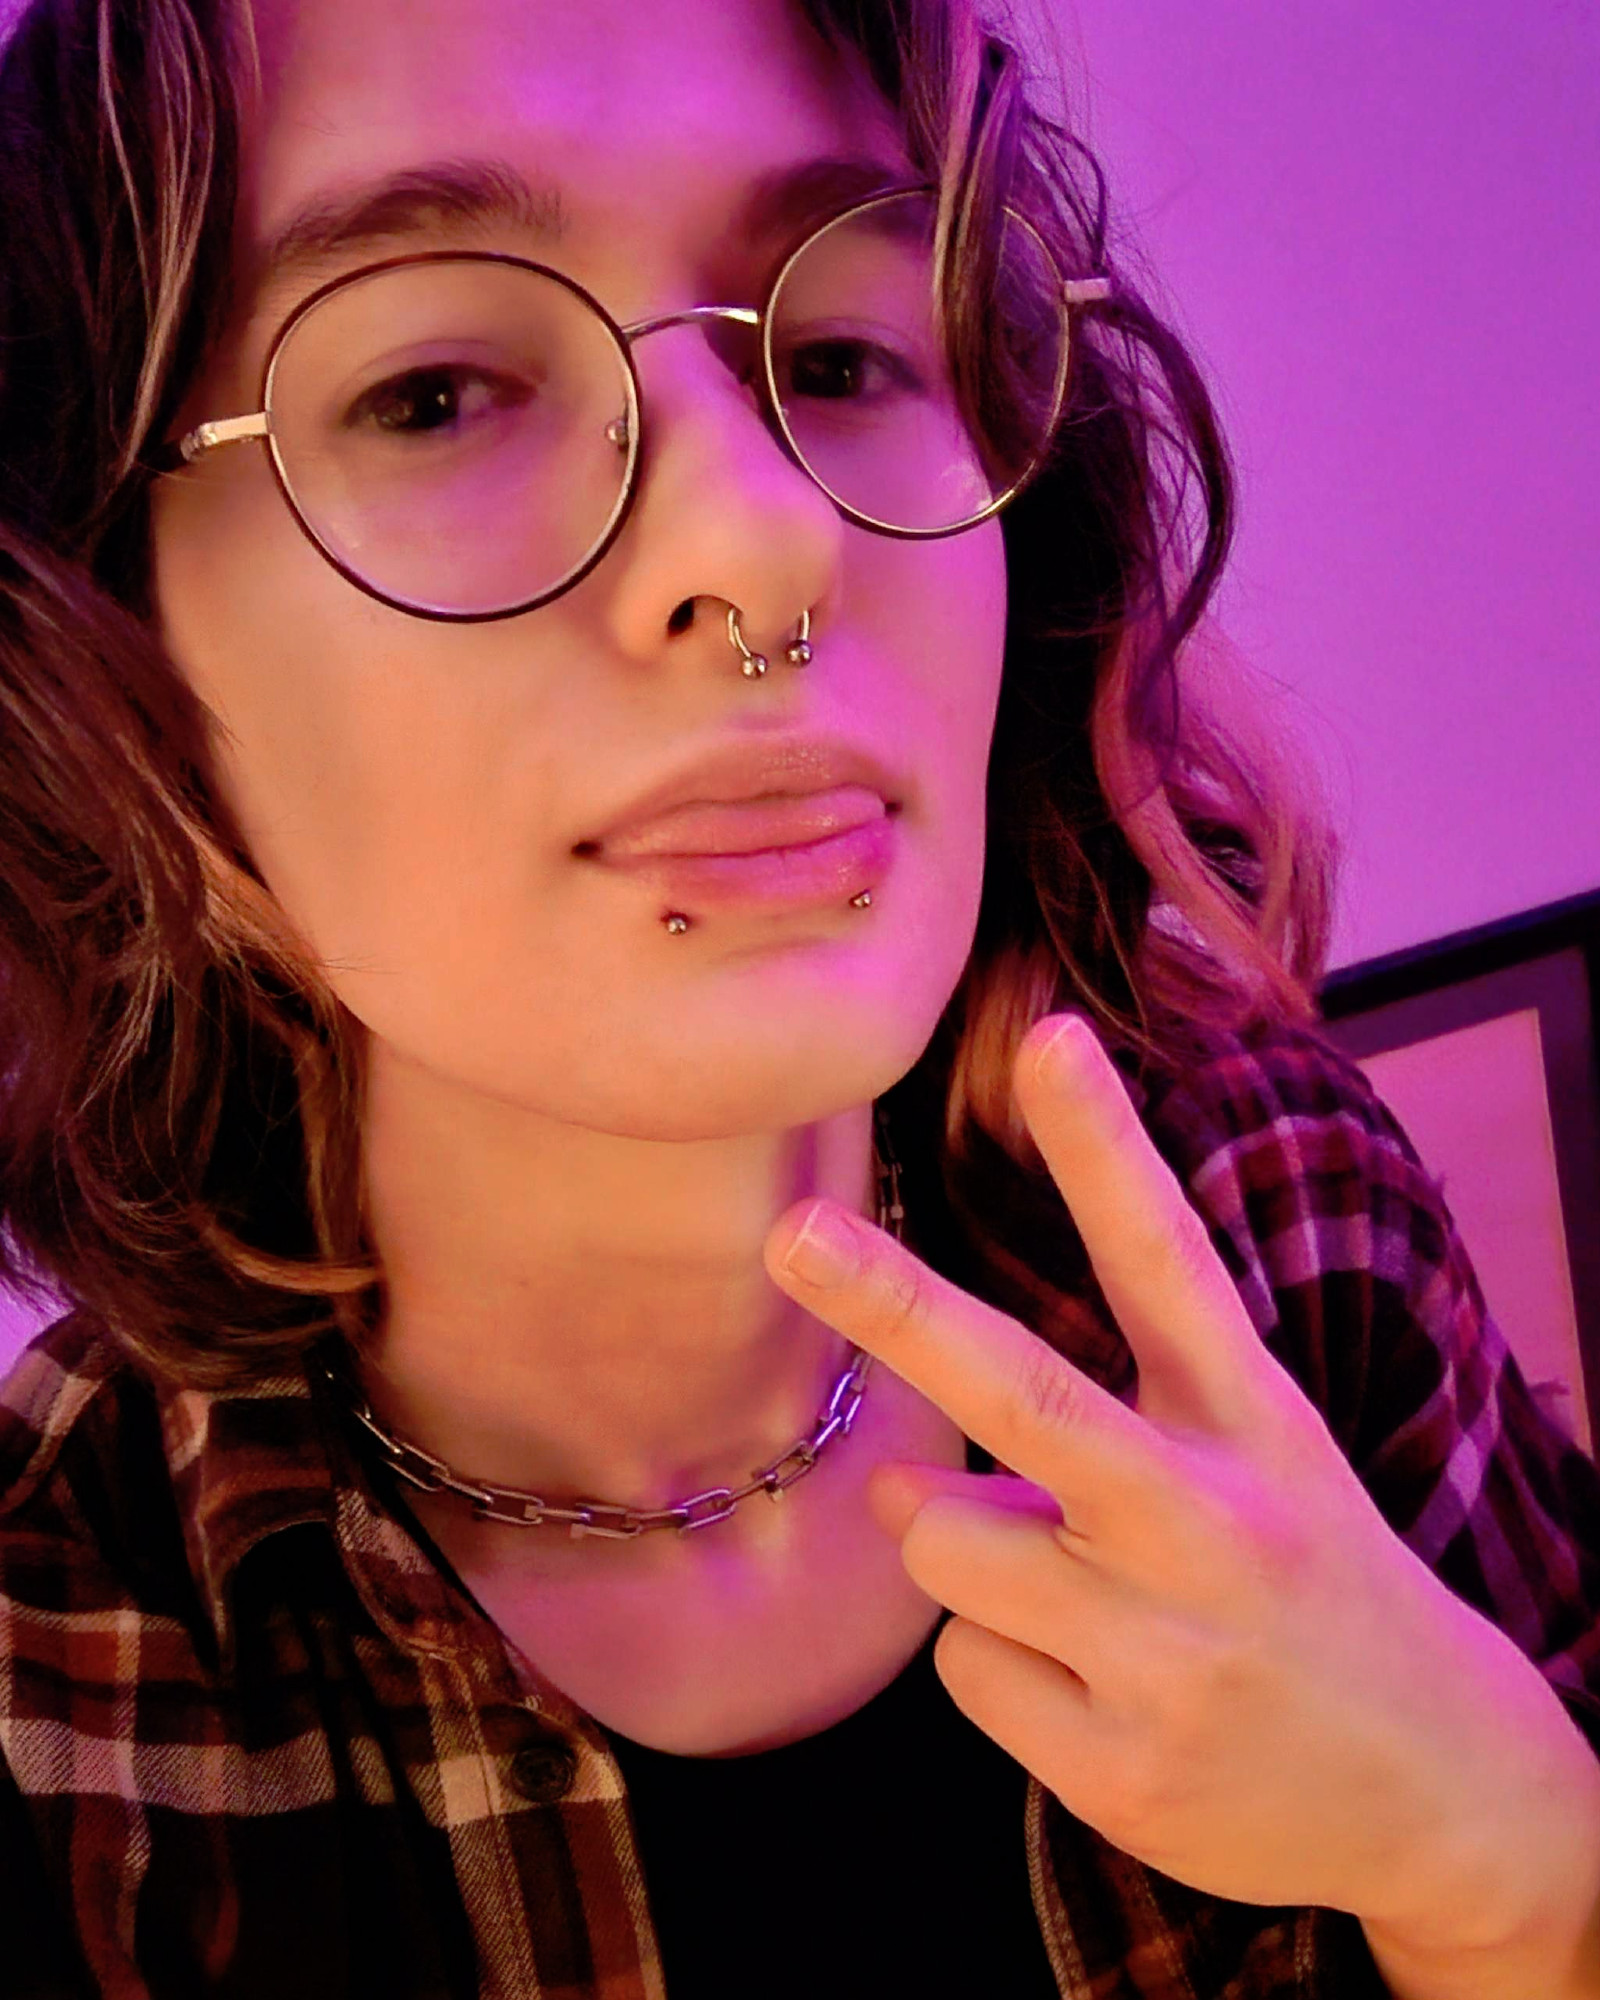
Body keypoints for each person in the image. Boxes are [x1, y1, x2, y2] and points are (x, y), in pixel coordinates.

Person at [1, 0, 1597, 1994]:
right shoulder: (63, 1685)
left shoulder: (1273, 1221)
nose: (767, 537)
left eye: (840, 358)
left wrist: (1500, 1865)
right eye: (433, 394)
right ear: (100, 628)